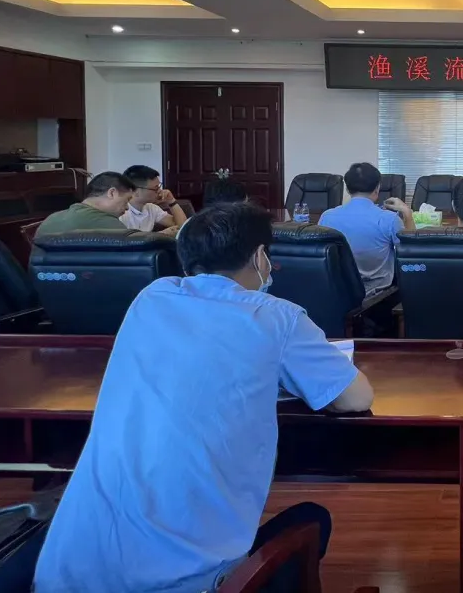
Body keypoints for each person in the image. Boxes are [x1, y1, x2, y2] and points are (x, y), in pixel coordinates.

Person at [33, 203, 373, 593]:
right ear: (260, 257)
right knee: (314, 518)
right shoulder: (277, 317)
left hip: (65, 574)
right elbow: (354, 398)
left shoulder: (151, 298)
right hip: (182, 583)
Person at [318, 162, 414, 294]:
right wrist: (407, 212)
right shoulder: (389, 219)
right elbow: (411, 252)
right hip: (376, 295)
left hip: (338, 292)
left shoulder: (327, 217)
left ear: (347, 189)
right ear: (377, 188)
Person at [34, 171, 135, 236]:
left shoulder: (51, 219)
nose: (127, 207)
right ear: (112, 193)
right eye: (127, 200)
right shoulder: (111, 226)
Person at [120, 165, 187, 234]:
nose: (160, 191)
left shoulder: (151, 208)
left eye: (159, 186)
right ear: (135, 191)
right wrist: (160, 234)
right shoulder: (121, 212)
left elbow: (183, 227)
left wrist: (171, 201)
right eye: (156, 188)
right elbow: (121, 239)